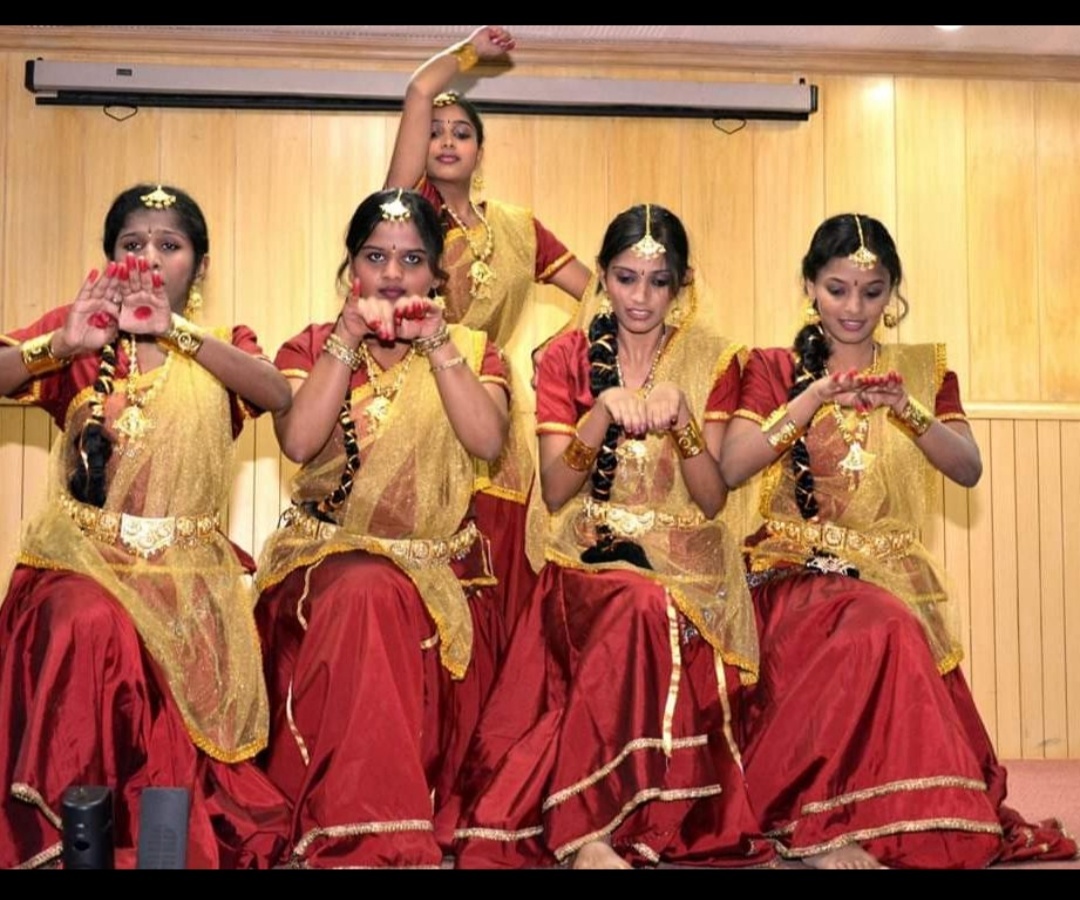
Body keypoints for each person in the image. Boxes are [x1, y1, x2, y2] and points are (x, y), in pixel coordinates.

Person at [719, 212, 1078, 869]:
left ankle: (873, 817)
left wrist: (905, 409)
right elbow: (732, 466)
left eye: (872, 291)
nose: (854, 307)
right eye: (837, 289)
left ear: (893, 293)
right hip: (793, 569)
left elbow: (967, 469)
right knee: (877, 626)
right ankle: (823, 826)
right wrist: (809, 400)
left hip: (888, 572)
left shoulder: (923, 370)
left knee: (885, 621)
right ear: (809, 286)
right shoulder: (771, 367)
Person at [449, 204, 775, 870]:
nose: (641, 297)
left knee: (649, 602)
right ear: (602, 276)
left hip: (688, 561)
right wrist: (598, 415)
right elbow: (556, 491)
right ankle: (587, 834)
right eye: (627, 278)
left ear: (681, 284)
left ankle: (622, 822)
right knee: (634, 604)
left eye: (659, 281)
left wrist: (684, 425)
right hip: (588, 556)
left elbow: (712, 500)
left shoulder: (713, 358)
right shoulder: (566, 357)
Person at [0, 183, 293, 868]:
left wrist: (173, 330)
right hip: (83, 565)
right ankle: (72, 835)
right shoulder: (78, 336)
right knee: (87, 621)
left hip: (186, 580)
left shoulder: (221, 348)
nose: (151, 257)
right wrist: (59, 344)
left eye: (170, 244)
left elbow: (277, 392)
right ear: (111, 259)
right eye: (133, 244)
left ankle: (148, 839)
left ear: (200, 264)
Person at [254, 188, 510, 868]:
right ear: (351, 268)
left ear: (437, 275)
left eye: (412, 259)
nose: (393, 274)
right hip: (323, 561)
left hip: (439, 572)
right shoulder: (311, 345)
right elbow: (299, 443)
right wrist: (345, 340)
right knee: (366, 589)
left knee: (378, 591)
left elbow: (487, 441)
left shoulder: (475, 350)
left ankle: (372, 827)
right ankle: (369, 834)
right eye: (375, 257)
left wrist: (439, 344)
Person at [385, 25, 594, 651]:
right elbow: (419, 90)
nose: (446, 141)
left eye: (462, 132)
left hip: (494, 395)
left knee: (500, 558)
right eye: (435, 132)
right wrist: (470, 53)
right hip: (418, 390)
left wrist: (558, 349)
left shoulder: (518, 227)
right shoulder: (409, 214)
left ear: (480, 151)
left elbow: (600, 293)